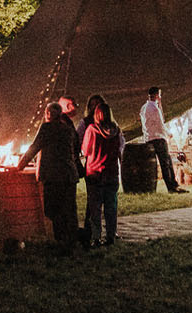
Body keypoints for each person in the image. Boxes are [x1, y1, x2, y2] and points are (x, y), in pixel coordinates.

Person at [19, 102, 82, 252]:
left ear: (48, 114)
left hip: (54, 175)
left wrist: (20, 165)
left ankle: (61, 241)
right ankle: (71, 240)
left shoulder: (47, 128)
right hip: (69, 174)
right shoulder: (67, 129)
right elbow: (75, 147)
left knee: (53, 209)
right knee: (69, 209)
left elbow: (34, 147)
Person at [80, 98, 124, 247]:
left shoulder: (92, 130)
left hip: (95, 173)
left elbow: (85, 150)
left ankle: (96, 237)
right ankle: (111, 236)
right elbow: (120, 149)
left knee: (95, 208)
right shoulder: (117, 130)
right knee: (111, 206)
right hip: (112, 172)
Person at [140, 86, 188, 193]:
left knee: (160, 163)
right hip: (158, 138)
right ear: (157, 95)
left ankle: (169, 185)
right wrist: (167, 134)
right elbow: (161, 123)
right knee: (166, 163)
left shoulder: (144, 108)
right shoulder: (154, 108)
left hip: (149, 138)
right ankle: (172, 186)